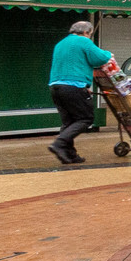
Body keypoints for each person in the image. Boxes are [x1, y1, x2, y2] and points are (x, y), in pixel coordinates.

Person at [46, 20, 112, 165]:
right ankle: (59, 144)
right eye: (90, 34)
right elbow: (99, 58)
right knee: (86, 119)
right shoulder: (83, 41)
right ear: (86, 32)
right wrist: (109, 54)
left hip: (55, 86)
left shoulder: (60, 43)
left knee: (68, 122)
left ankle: (69, 155)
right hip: (73, 86)